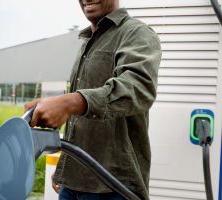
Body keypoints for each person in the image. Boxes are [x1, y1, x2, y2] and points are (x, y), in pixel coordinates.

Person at [23, 0, 161, 199]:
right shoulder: (88, 40)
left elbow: (138, 88)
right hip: (72, 183)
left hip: (113, 186)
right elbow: (82, 117)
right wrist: (65, 167)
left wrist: (69, 102)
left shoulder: (136, 33)